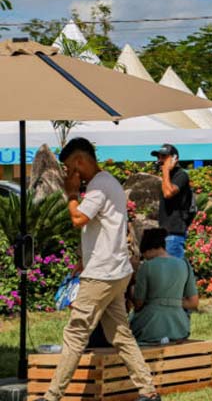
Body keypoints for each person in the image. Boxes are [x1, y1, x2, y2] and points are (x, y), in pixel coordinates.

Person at [40, 138, 158, 401]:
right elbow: (103, 228)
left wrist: (71, 193)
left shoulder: (98, 187)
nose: (69, 174)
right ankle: (148, 391)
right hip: (116, 271)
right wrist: (85, 257)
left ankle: (51, 396)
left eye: (70, 167)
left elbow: (78, 218)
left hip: (101, 275)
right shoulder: (108, 182)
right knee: (120, 334)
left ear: (80, 161)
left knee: (75, 333)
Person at [130, 228, 200, 344]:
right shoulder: (184, 264)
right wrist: (173, 301)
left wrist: (132, 286)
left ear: (148, 249)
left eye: (144, 255)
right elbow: (193, 302)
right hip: (179, 328)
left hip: (150, 327)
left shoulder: (146, 266)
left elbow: (138, 304)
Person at [150, 143, 195, 259]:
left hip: (174, 234)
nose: (160, 160)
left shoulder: (181, 175)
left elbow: (168, 193)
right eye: (158, 157)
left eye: (164, 157)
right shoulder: (168, 177)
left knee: (172, 274)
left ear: (175, 159)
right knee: (166, 273)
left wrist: (165, 169)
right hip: (166, 234)